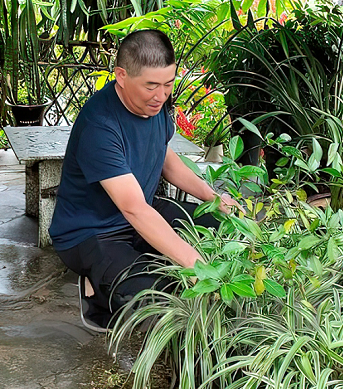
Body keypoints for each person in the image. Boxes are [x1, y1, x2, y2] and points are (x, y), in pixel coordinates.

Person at [49, 29, 237, 331]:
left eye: (168, 84)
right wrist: (194, 264)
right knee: (162, 294)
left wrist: (212, 198)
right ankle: (94, 289)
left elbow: (166, 158)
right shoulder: (101, 124)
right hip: (93, 234)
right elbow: (133, 208)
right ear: (121, 76)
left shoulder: (156, 106)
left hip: (144, 213)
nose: (160, 95)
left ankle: (135, 261)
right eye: (151, 86)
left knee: (223, 229)